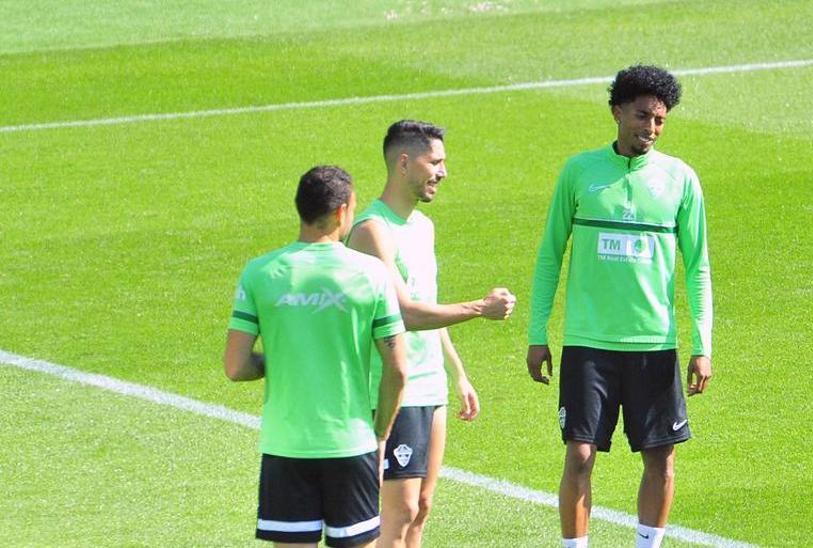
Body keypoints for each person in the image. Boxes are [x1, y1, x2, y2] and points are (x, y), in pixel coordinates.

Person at [526, 64, 713, 548]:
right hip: (588, 342)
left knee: (661, 458)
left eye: (659, 121)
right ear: (616, 111)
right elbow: (550, 255)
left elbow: (698, 267)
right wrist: (536, 333)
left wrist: (702, 344)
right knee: (580, 454)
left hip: (654, 342)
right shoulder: (579, 172)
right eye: (641, 116)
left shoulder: (680, 180)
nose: (649, 128)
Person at [345, 120, 516, 548]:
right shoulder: (371, 231)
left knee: (421, 508)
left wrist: (457, 373)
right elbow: (405, 312)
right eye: (435, 162)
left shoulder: (422, 227)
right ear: (404, 162)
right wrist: (480, 308)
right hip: (390, 389)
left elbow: (428, 303)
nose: (443, 172)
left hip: (430, 386)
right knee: (395, 514)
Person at [224, 165, 409, 548]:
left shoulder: (260, 273)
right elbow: (398, 369)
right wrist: (380, 435)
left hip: (285, 446)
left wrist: (283, 359)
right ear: (342, 211)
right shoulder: (370, 274)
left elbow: (235, 366)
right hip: (351, 443)